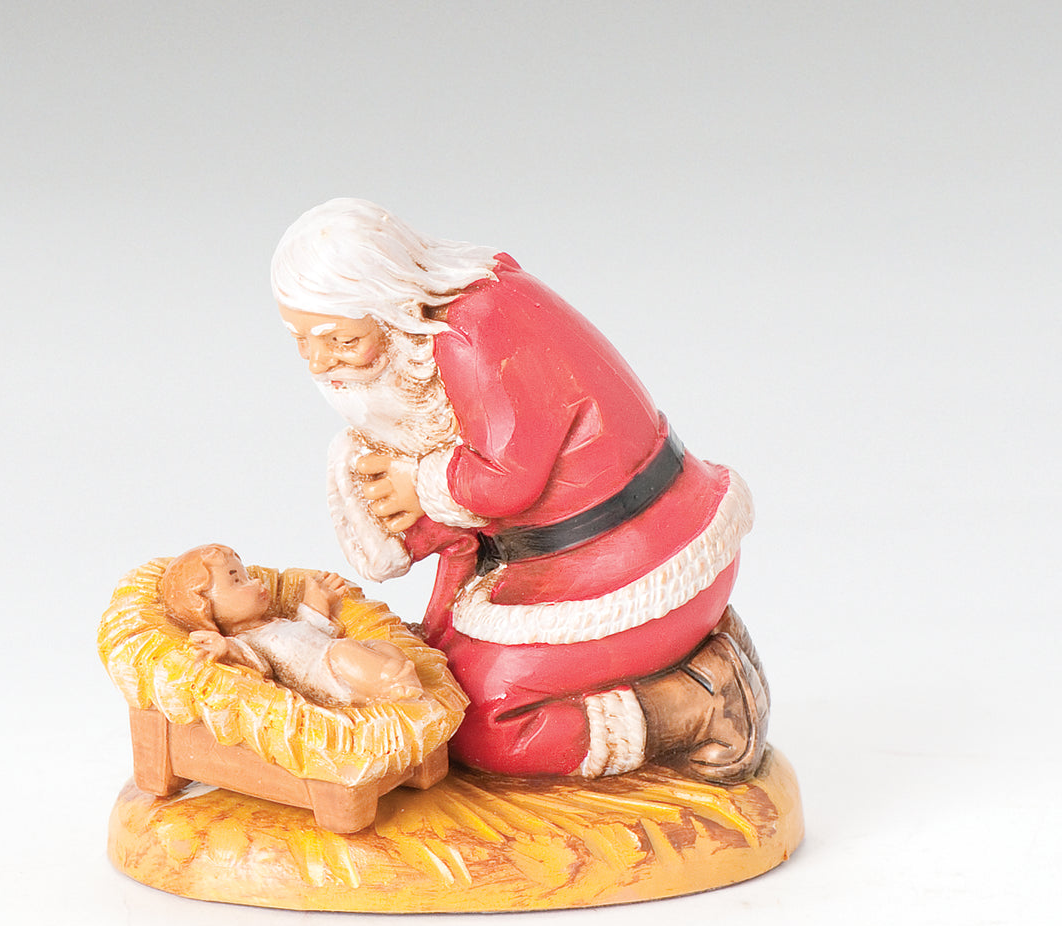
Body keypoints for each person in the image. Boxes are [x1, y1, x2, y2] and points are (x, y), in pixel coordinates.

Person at [270, 198, 769, 781]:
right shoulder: (447, 329)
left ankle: (702, 702)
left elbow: (508, 481)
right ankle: (690, 659)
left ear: (394, 306)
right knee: (433, 679)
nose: (319, 363)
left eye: (340, 340)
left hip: (640, 565)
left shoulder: (473, 332)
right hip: (581, 555)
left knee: (479, 720)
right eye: (301, 342)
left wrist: (418, 482)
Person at [159, 544, 424, 707]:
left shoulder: (274, 623)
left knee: (378, 646)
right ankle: (394, 683)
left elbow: (308, 631)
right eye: (237, 581)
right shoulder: (246, 641)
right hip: (326, 674)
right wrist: (225, 648)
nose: (256, 582)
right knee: (345, 652)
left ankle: (395, 675)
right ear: (207, 608)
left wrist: (317, 600)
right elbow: (255, 664)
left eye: (247, 575)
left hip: (332, 656)